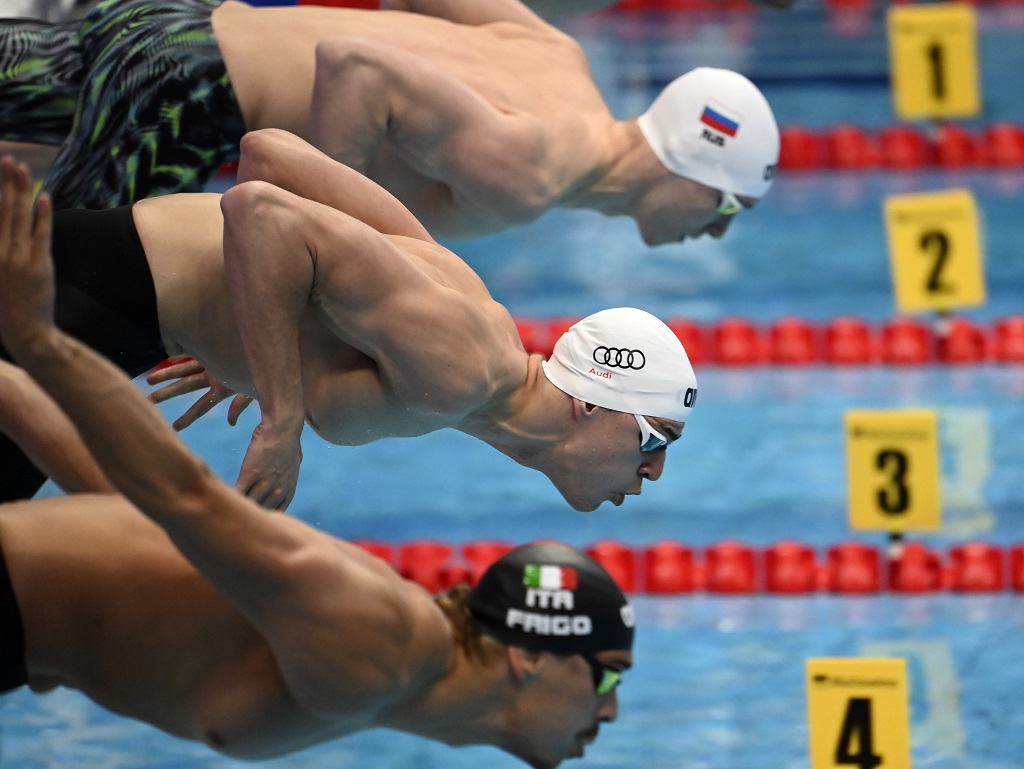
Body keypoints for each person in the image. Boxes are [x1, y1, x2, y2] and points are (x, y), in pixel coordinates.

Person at [0, 138, 698, 510]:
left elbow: (275, 156)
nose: (657, 470)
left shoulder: (473, 328)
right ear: (588, 400)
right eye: (652, 437)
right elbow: (259, 212)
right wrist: (281, 421)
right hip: (85, 293)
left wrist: (249, 321)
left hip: (105, 293)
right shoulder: (459, 364)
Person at [0, 368, 634, 765]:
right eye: (607, 676)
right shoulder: (382, 642)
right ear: (530, 655)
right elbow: (186, 496)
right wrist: (40, 343)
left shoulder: (387, 681)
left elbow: (146, 524)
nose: (608, 712)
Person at [0, 0, 780, 244]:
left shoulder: (559, 55)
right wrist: (309, 236)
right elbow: (356, 68)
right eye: (728, 207)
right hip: (182, 102)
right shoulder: (531, 171)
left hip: (169, 27)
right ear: (691, 167)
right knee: (43, 321)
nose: (717, 231)